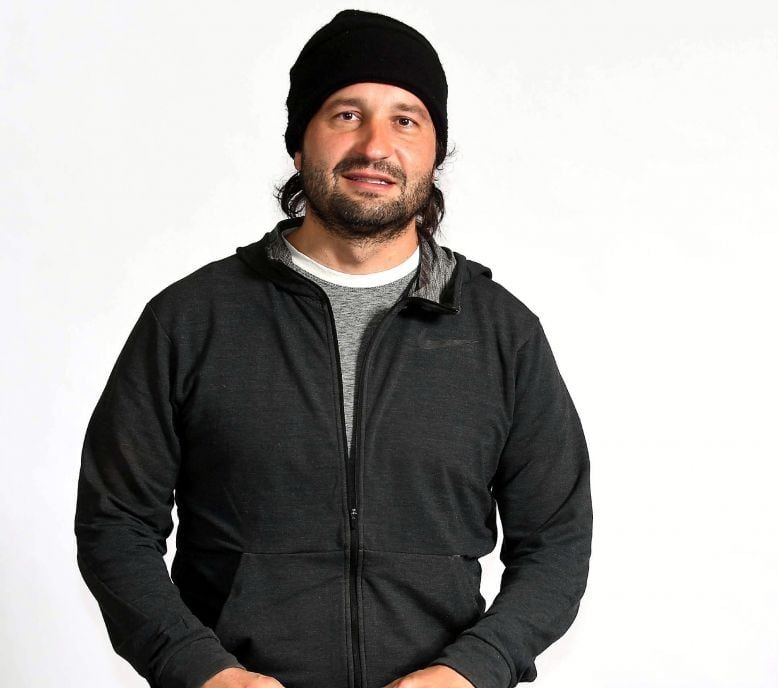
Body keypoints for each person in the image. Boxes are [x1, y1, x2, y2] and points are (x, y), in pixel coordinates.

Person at [74, 9, 592, 688]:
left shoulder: (503, 334)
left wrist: (472, 670)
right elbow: (115, 525)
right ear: (299, 145)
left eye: (406, 120)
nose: (376, 145)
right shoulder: (191, 320)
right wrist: (202, 672)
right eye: (346, 115)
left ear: (435, 153)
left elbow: (556, 542)